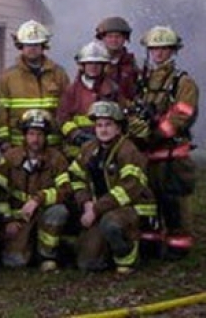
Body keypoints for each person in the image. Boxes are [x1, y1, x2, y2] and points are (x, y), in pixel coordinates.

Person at [129, 26, 199, 259]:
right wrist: (136, 127)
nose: (158, 54)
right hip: (148, 155)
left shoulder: (183, 82)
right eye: (154, 49)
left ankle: (178, 246)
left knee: (174, 203)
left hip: (172, 156)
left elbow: (183, 114)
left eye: (164, 49)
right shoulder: (143, 79)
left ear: (173, 51)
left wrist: (156, 132)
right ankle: (150, 243)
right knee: (148, 202)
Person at [69, 101, 155, 274]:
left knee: (111, 224)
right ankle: (106, 250)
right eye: (99, 125)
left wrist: (95, 209)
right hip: (100, 209)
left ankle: (127, 255)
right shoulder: (89, 149)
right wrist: (85, 202)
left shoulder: (128, 150)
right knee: (87, 264)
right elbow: (75, 177)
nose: (103, 129)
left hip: (131, 207)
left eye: (108, 124)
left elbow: (128, 188)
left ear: (118, 128)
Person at [0, 110, 71, 272]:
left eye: (40, 134)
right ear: (24, 135)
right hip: (19, 218)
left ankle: (47, 255)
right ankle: (27, 249)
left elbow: (65, 191)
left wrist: (38, 199)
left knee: (59, 211)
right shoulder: (9, 158)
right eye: (31, 134)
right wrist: (7, 220)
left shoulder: (57, 159)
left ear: (46, 136)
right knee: (14, 262)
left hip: (43, 214)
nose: (35, 139)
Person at [0, 20, 70, 152]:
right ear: (20, 46)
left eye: (36, 44)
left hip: (52, 145)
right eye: (28, 45)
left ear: (43, 46)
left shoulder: (59, 74)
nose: (32, 48)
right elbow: (1, 112)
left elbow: (67, 109)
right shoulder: (7, 77)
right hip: (18, 146)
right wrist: (4, 142)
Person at [57, 40, 120, 159]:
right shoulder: (71, 91)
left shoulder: (113, 90)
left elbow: (120, 119)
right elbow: (62, 118)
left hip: (107, 149)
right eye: (89, 63)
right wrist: (75, 134)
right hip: (77, 151)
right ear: (82, 65)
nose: (93, 67)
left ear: (104, 66)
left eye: (98, 63)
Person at [95, 16, 139, 101]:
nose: (114, 40)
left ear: (125, 39)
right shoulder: (93, 63)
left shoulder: (131, 65)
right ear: (103, 38)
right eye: (110, 36)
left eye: (118, 36)